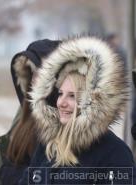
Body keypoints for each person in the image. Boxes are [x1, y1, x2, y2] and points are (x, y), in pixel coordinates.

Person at [14, 36, 135, 184]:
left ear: (92, 103)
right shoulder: (49, 145)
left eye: (72, 96)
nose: (62, 103)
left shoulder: (115, 153)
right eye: (60, 94)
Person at [0, 39, 61, 185]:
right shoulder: (26, 109)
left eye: (42, 73)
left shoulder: (67, 121)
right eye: (32, 73)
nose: (35, 80)